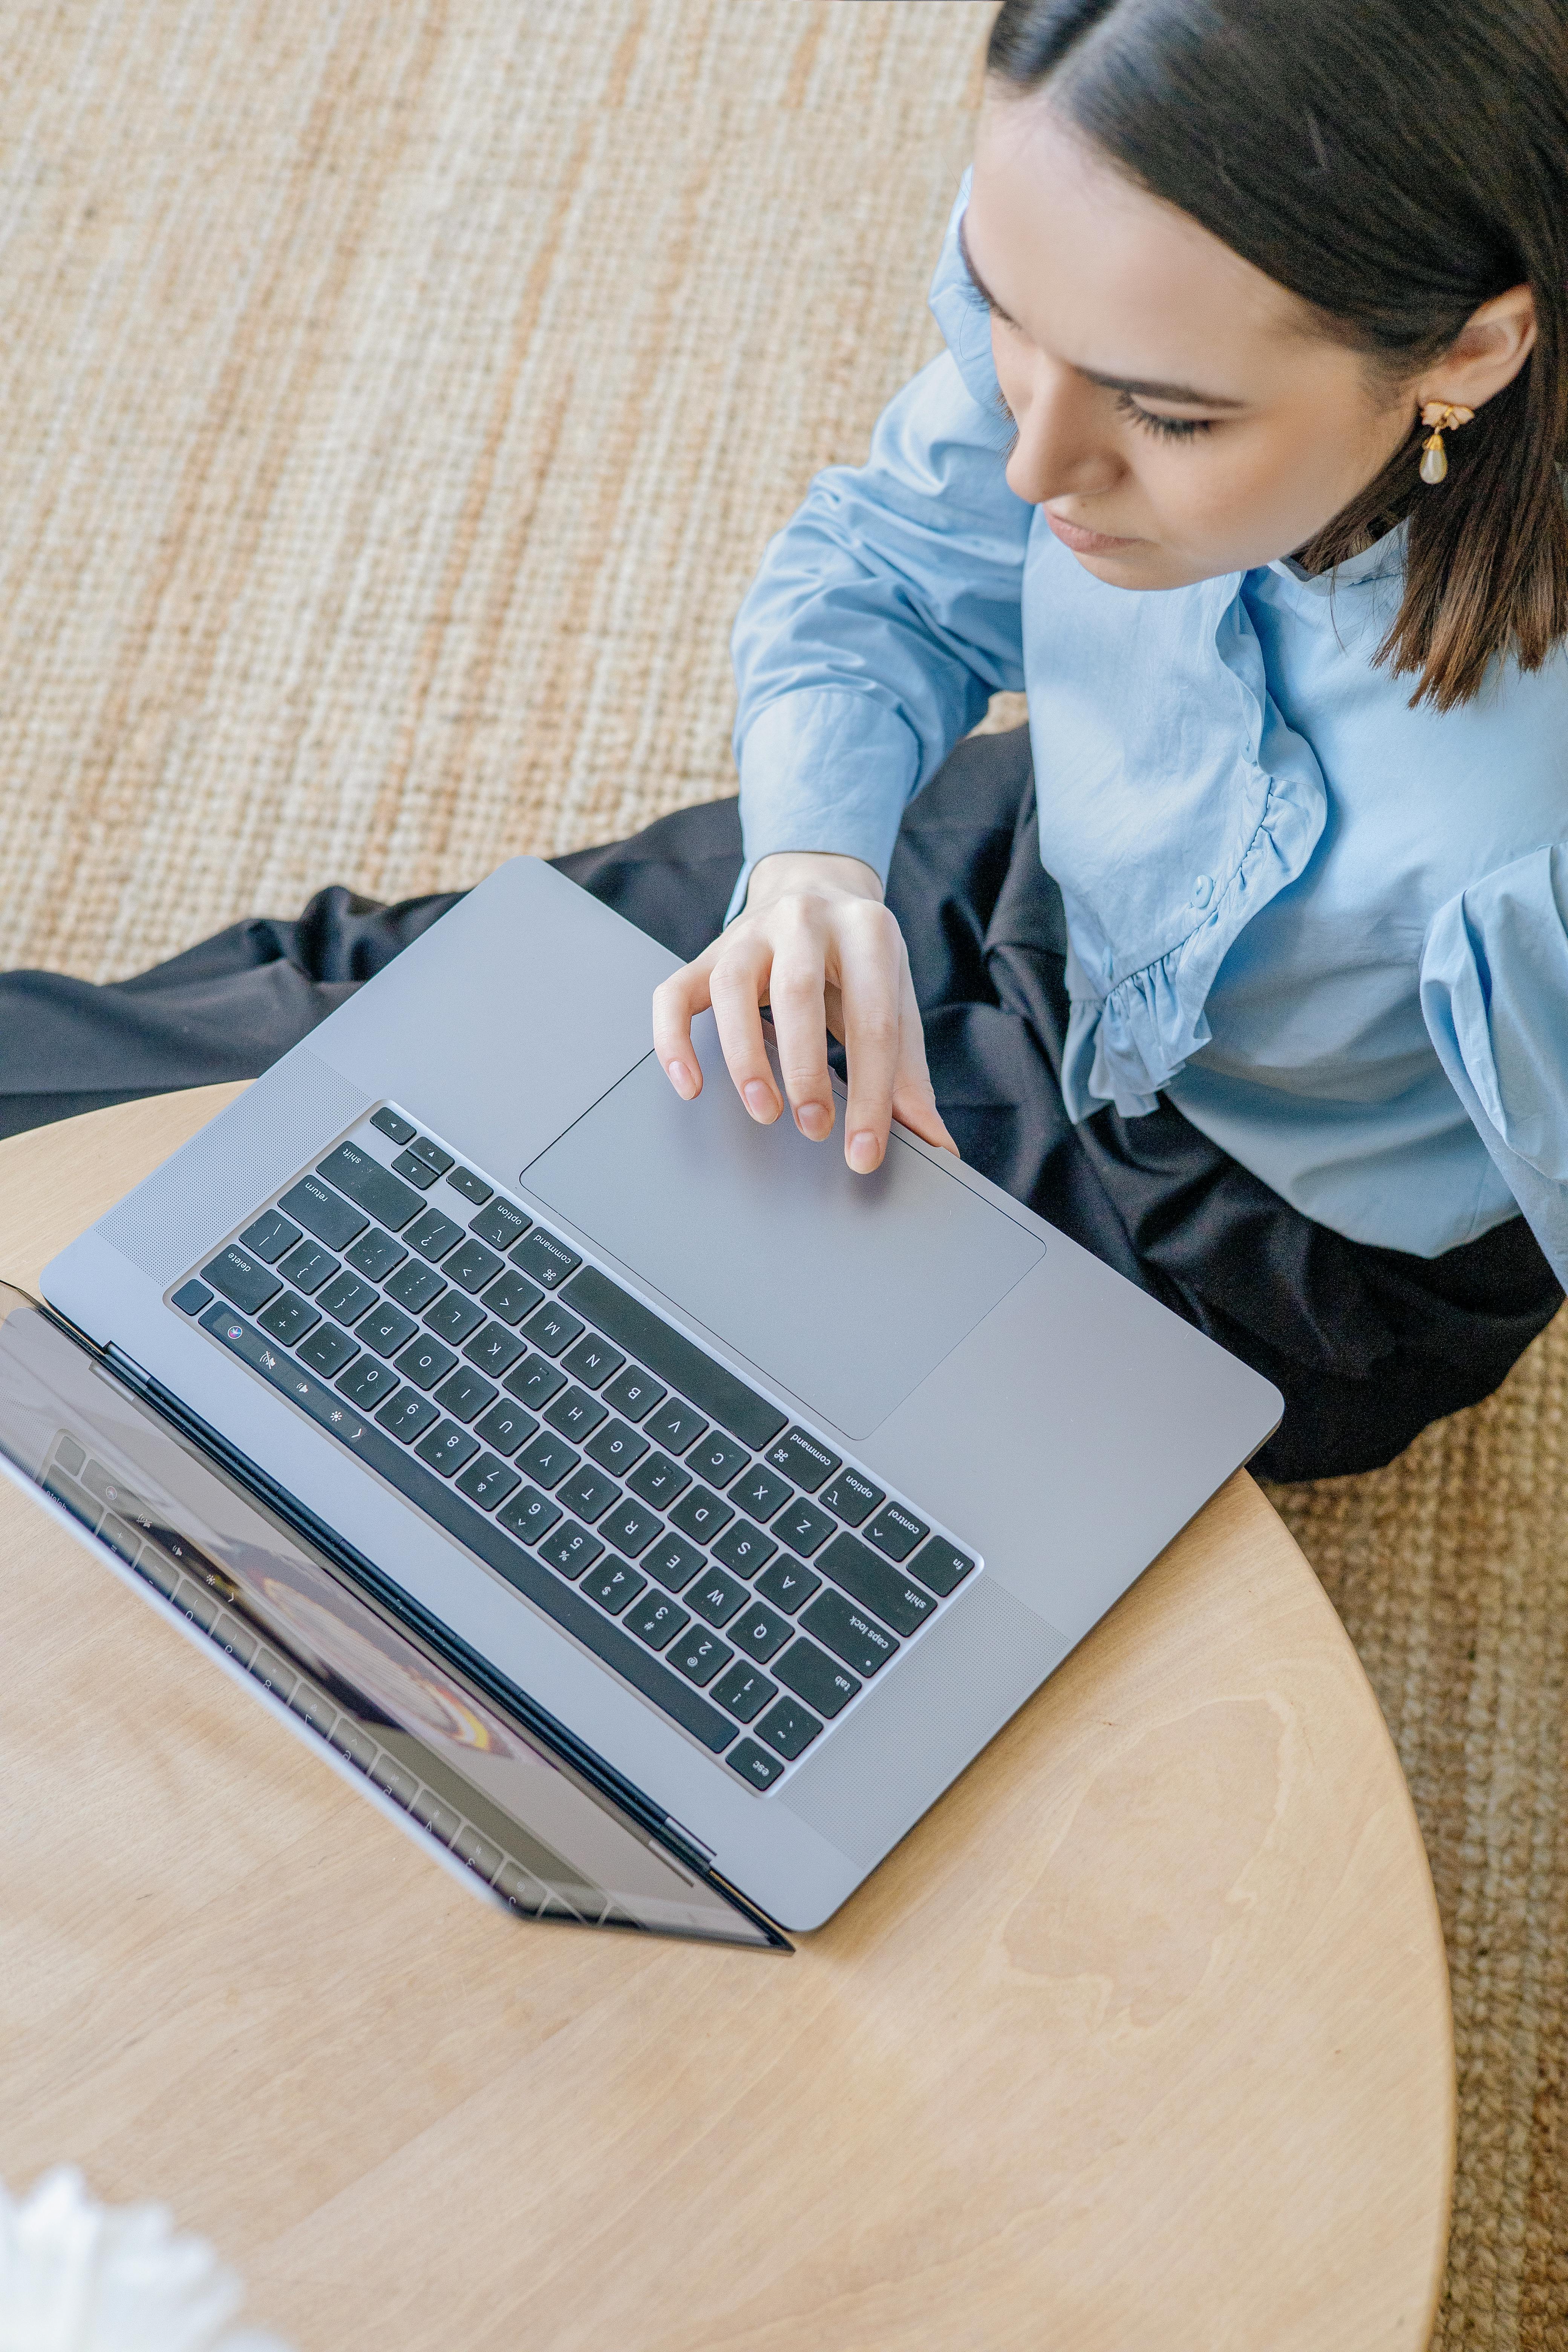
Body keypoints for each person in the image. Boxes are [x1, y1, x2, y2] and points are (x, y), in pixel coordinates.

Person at [8, 0, 1568, 1484]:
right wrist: (809, 866)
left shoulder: (1522, 835)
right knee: (350, 1000)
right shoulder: (1115, 300)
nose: (1032, 464)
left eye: (1164, 417)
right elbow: (891, 567)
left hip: (1245, 1217)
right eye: (1004, 315)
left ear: (1465, 355)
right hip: (1048, 863)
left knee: (522, 1256)